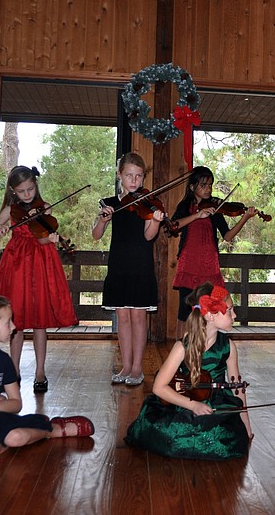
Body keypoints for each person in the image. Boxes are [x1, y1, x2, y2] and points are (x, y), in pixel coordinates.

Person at [0, 294, 94, 462]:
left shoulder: (3, 360)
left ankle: (52, 429)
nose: (14, 326)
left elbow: (16, 404)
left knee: (16, 437)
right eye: (8, 322)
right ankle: (29, 428)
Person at [125, 283, 252, 460]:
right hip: (184, 400)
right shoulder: (182, 347)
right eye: (229, 310)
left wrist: (246, 424)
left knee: (226, 435)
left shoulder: (228, 346)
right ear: (210, 315)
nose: (235, 315)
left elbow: (237, 387)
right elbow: (159, 388)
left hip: (217, 402)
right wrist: (193, 405)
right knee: (172, 432)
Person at [0, 166, 77, 394]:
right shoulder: (10, 210)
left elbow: (42, 240)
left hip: (40, 265)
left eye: (30, 189)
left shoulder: (43, 208)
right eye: (22, 191)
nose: (27, 194)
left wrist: (52, 238)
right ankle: (13, 372)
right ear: (14, 191)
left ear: (36, 185)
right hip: (16, 266)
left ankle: (40, 372)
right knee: (16, 322)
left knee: (39, 322)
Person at [93, 153, 164, 386]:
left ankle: (136, 368)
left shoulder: (147, 202)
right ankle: (125, 365)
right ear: (119, 175)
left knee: (138, 317)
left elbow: (148, 236)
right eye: (129, 175)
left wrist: (155, 220)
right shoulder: (110, 204)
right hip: (119, 266)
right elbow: (96, 235)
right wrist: (103, 220)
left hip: (140, 266)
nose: (134, 181)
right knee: (123, 318)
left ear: (143, 178)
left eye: (139, 176)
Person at [170, 166, 258, 340]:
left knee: (211, 311)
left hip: (209, 266)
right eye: (203, 185)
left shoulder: (216, 208)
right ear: (192, 187)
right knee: (185, 313)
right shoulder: (186, 206)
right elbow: (174, 225)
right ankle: (181, 355)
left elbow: (227, 236)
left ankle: (205, 351)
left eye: (210, 185)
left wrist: (244, 218)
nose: (208, 189)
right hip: (189, 264)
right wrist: (197, 215)